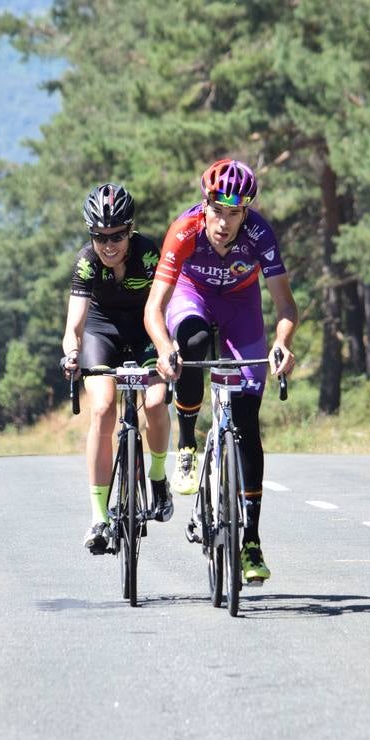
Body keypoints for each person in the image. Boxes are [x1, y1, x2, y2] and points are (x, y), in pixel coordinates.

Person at [145, 158, 297, 584]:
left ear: (245, 211)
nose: (224, 223)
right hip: (191, 297)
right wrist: (162, 348)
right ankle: (188, 443)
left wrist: (282, 343)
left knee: (247, 422)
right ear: (205, 203)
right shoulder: (185, 230)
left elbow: (286, 307)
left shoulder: (259, 235)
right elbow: (155, 307)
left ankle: (251, 539)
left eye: (235, 213)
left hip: (241, 307)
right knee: (190, 346)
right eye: (217, 210)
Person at [62, 183, 174, 554]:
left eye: (118, 236)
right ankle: (98, 516)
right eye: (99, 236)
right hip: (102, 330)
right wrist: (72, 353)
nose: (109, 245)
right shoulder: (86, 262)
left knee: (156, 402)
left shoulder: (148, 253)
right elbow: (74, 326)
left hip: (144, 329)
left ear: (131, 230)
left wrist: (167, 348)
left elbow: (165, 306)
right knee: (102, 408)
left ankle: (157, 478)